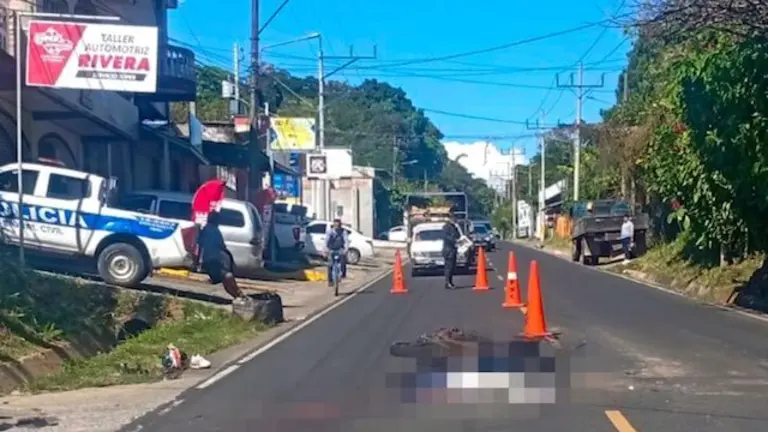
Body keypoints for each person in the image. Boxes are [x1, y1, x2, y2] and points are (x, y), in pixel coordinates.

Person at [197, 211, 246, 300]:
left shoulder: (205, 230)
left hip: (209, 259)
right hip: (215, 259)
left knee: (225, 279)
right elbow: (221, 246)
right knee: (227, 277)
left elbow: (199, 244)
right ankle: (239, 295)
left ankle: (238, 296)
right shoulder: (214, 231)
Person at [324, 219, 349, 286]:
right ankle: (330, 281)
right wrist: (325, 249)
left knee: (343, 261)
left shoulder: (343, 232)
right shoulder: (330, 231)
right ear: (334, 225)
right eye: (335, 225)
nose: (337, 227)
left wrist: (346, 249)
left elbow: (346, 241)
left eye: (338, 226)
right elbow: (326, 241)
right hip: (331, 249)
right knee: (330, 265)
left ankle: (343, 275)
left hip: (340, 249)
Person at [442, 215, 461, 290]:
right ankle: (447, 282)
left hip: (453, 249)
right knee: (448, 267)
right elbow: (446, 237)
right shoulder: (446, 227)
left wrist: (457, 227)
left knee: (452, 267)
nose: (455, 220)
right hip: (448, 249)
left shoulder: (454, 227)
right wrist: (454, 240)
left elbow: (458, 235)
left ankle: (450, 281)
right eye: (454, 219)